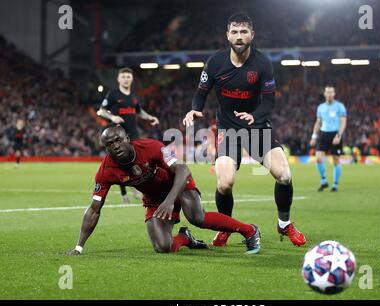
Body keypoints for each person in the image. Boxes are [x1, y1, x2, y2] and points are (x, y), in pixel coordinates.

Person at [182, 12, 306, 247]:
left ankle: (284, 225)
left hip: (257, 127)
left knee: (284, 175)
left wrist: (255, 115)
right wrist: (195, 109)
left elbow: (269, 101)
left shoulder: (262, 64)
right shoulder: (215, 63)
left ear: (252, 35)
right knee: (224, 183)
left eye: (244, 32)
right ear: (227, 35)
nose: (239, 36)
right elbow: (200, 93)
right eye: (235, 32)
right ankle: (227, 226)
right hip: (228, 129)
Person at [66, 125, 261, 255]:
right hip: (154, 198)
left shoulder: (151, 147)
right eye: (109, 144)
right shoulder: (106, 171)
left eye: (118, 140)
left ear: (127, 138)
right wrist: (79, 247)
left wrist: (169, 200)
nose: (115, 146)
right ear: (105, 148)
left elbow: (183, 169)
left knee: (197, 217)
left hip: (178, 183)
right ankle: (185, 238)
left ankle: (250, 231)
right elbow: (94, 209)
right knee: (162, 247)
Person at [97, 67, 159, 203]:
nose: (126, 79)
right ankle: (125, 192)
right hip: (118, 135)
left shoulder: (133, 96)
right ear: (118, 79)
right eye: (123, 76)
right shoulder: (113, 94)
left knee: (137, 160)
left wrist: (150, 118)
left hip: (133, 133)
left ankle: (136, 187)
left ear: (132, 79)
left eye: (128, 77)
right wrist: (113, 117)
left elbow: (139, 111)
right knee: (121, 162)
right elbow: (101, 111)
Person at [310, 86, 347, 192]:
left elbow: (343, 122)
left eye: (331, 92)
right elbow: (318, 122)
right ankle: (323, 181)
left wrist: (339, 135)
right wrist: (314, 136)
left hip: (335, 134)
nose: (329, 94)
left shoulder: (340, 106)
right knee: (318, 158)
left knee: (336, 160)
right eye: (327, 92)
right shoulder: (321, 107)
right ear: (325, 94)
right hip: (324, 134)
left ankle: (335, 184)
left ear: (334, 94)